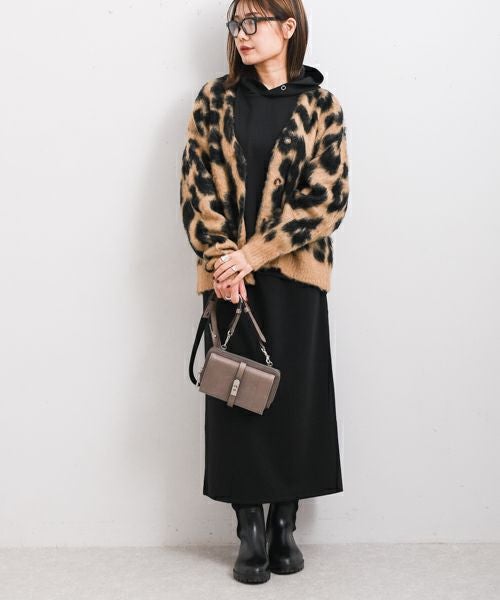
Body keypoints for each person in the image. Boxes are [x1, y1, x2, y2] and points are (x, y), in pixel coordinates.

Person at [179, 0, 350, 585]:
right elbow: (195, 189)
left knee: (294, 399)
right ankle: (248, 528)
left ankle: (284, 524)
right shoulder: (214, 100)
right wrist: (223, 261)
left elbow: (327, 201)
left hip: (295, 276)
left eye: (254, 22)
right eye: (236, 24)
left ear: (288, 27)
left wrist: (253, 254)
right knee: (237, 396)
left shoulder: (322, 106)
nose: (242, 34)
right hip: (229, 280)